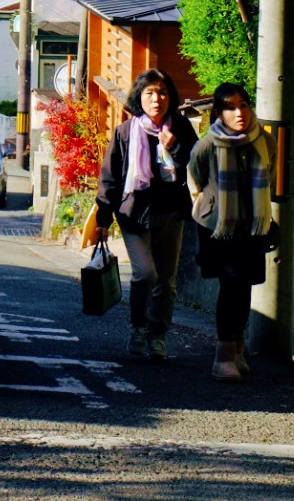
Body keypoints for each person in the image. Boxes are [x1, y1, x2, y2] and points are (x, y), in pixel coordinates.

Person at [93, 68, 197, 361]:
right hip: (134, 213)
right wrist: (102, 219)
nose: (157, 99)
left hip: (171, 212)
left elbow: (196, 165)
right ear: (140, 96)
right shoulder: (126, 132)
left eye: (162, 93)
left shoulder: (181, 128)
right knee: (144, 274)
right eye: (150, 93)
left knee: (166, 280)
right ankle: (139, 327)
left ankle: (158, 336)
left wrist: (174, 147)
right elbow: (110, 177)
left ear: (170, 97)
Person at [187, 81, 280, 382]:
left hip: (253, 225)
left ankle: (238, 348)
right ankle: (223, 355)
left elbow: (270, 175)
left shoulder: (265, 142)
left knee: (245, 287)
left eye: (243, 105)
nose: (239, 112)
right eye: (230, 107)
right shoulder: (208, 144)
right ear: (219, 112)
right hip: (219, 227)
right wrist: (213, 204)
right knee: (231, 285)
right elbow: (195, 177)